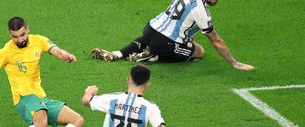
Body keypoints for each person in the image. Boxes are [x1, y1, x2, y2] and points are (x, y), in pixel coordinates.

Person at [91, 0, 255, 71]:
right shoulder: (201, 11)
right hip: (165, 43)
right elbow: (216, 40)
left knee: (149, 39)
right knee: (199, 52)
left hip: (150, 28)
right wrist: (234, 62)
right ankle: (151, 57)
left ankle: (117, 53)